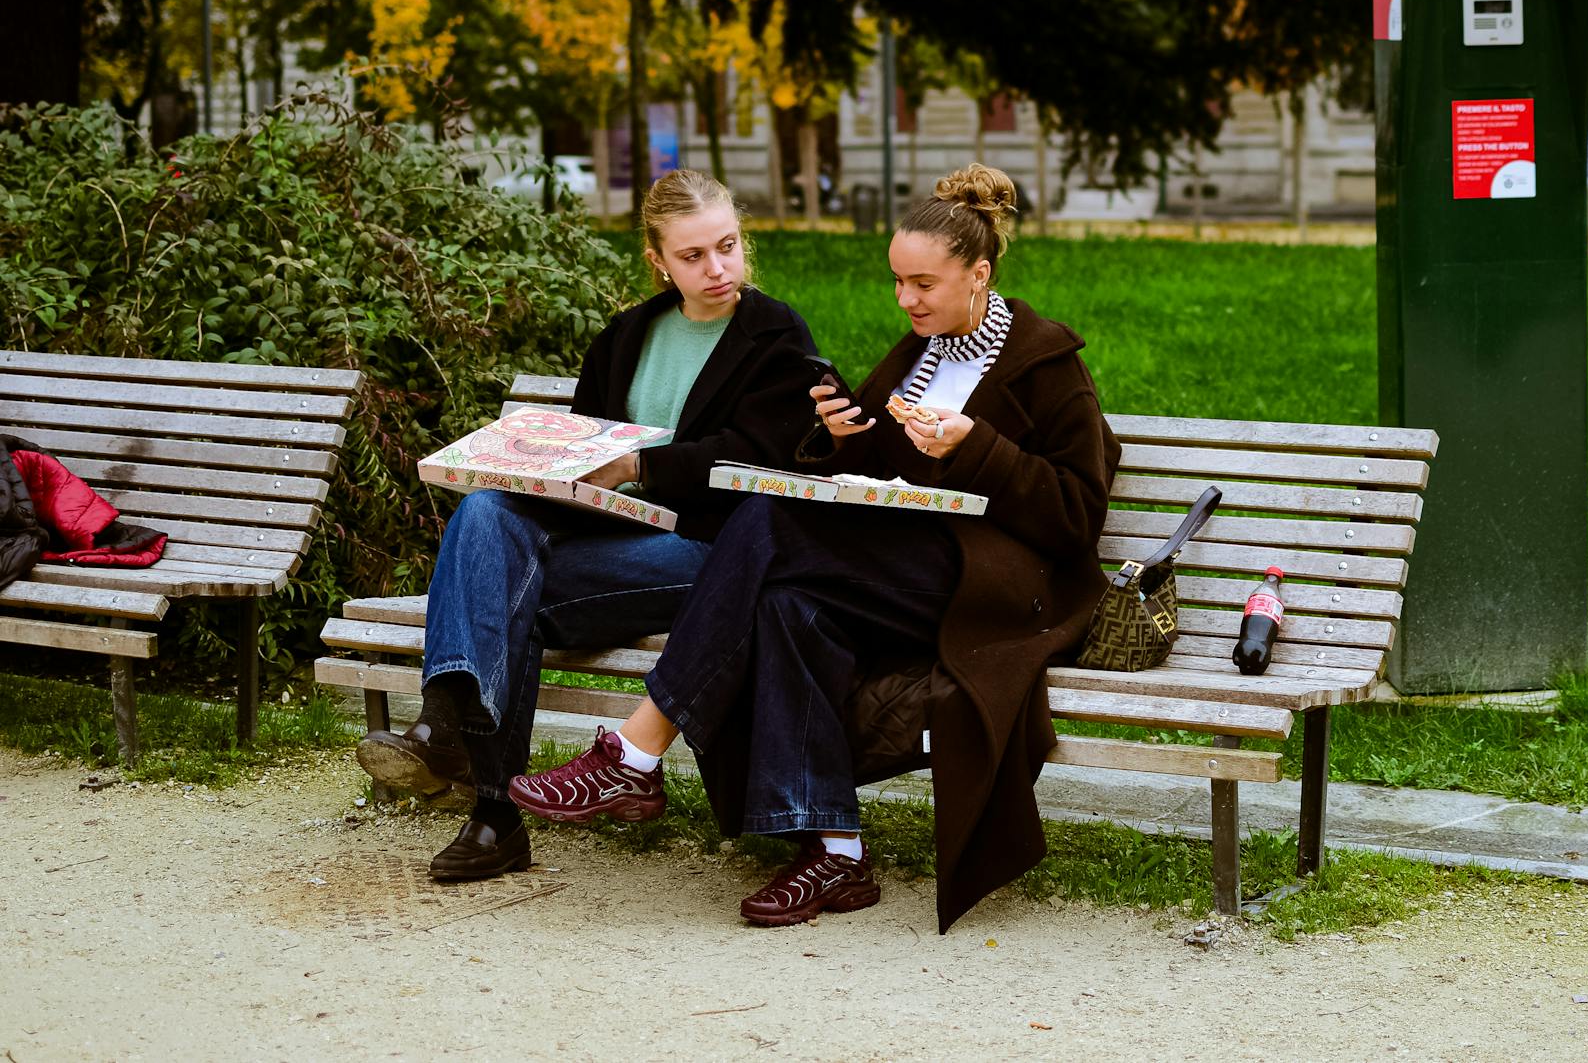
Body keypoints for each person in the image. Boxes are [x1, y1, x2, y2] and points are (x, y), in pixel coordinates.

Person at [508, 163, 1120, 932]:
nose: (905, 300)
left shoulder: (1046, 364)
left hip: (992, 586)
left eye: (923, 283)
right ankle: (836, 850)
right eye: (897, 281)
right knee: (788, 605)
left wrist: (980, 447)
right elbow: (880, 474)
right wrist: (843, 439)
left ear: (979, 274)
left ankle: (637, 751)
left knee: (764, 522)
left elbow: (1076, 515)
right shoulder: (921, 353)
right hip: (901, 566)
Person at [355, 169, 818, 883]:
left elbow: (760, 456)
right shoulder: (627, 336)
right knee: (485, 511)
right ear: (658, 260)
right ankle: (467, 767)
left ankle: (474, 782)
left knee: (505, 591)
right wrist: (540, 470)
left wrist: (640, 465)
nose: (717, 268)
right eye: (693, 255)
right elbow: (586, 448)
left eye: (727, 246)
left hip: (712, 554)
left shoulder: (775, 335)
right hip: (610, 543)